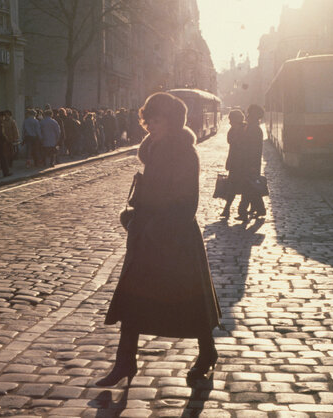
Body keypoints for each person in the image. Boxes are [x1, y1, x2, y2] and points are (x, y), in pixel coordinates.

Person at [98, 92, 221, 388]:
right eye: (148, 119)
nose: (151, 125)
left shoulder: (183, 153)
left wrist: (155, 227)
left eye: (158, 119)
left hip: (175, 241)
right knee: (133, 300)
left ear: (173, 122)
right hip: (148, 237)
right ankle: (125, 362)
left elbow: (187, 203)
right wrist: (137, 216)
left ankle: (207, 353)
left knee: (190, 303)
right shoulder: (155, 149)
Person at [233, 104, 267, 220]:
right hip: (249, 163)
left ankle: (242, 212)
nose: (247, 116)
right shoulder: (252, 128)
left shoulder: (255, 129)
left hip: (250, 163)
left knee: (247, 187)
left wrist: (252, 166)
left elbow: (253, 149)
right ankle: (260, 209)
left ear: (253, 115)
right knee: (251, 187)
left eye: (249, 114)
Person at [221, 109, 246, 219]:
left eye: (231, 119)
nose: (230, 122)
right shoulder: (232, 130)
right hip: (234, 163)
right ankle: (227, 209)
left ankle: (247, 210)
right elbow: (230, 142)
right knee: (232, 187)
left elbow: (242, 145)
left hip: (242, 163)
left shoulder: (245, 129)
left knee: (245, 187)